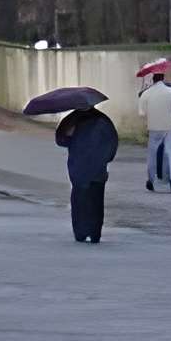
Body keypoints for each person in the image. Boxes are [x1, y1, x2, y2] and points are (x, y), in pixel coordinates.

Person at [56, 103, 119, 242]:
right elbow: (113, 143)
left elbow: (60, 140)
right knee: (96, 199)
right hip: (98, 168)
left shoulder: (72, 119)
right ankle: (95, 232)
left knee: (80, 199)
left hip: (79, 167)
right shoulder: (104, 120)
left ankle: (80, 231)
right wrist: (106, 159)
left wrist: (69, 135)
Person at [141, 72, 171, 190]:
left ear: (153, 79)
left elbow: (142, 112)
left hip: (154, 127)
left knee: (152, 154)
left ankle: (151, 180)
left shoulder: (146, 93)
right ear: (163, 78)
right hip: (169, 126)